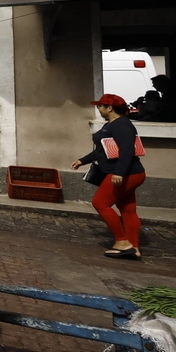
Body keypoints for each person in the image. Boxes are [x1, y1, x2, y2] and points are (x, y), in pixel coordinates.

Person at [69, 94, 146, 260]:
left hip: (126, 173)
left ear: (109, 108)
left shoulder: (121, 125)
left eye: (101, 106)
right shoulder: (112, 124)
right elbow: (103, 150)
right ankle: (134, 248)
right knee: (127, 209)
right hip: (129, 172)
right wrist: (83, 160)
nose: (99, 109)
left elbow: (127, 150)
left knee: (100, 203)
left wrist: (119, 172)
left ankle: (122, 242)